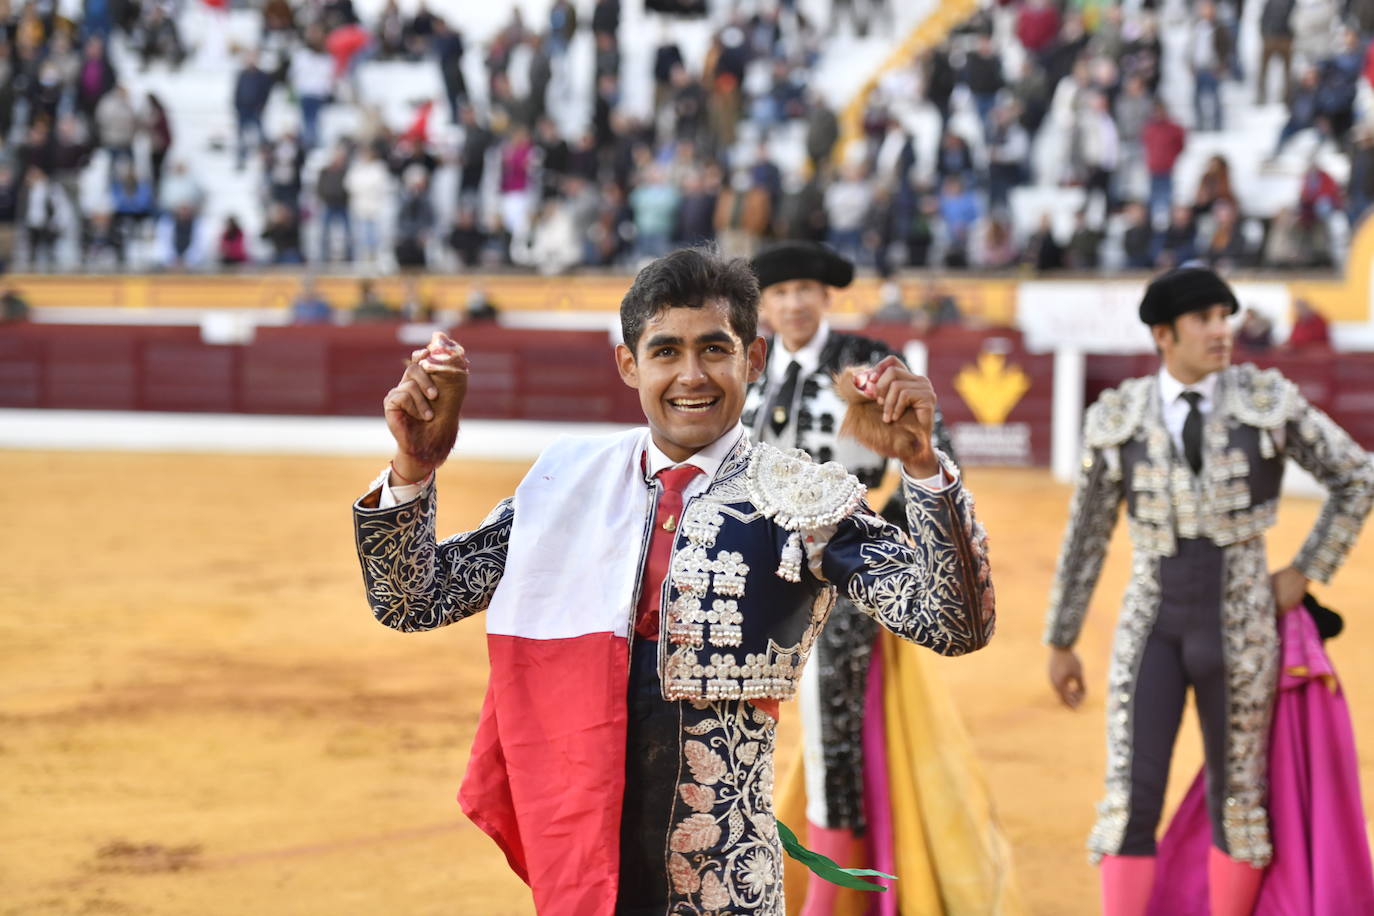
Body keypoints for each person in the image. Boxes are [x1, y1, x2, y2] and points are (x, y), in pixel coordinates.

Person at [352, 246, 996, 914]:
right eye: (665, 352)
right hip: (585, 873)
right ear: (629, 364)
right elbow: (412, 600)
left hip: (727, 891)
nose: (692, 375)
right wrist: (413, 467)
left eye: (715, 350)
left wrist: (924, 467)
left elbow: (953, 625)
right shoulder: (568, 483)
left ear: (753, 358)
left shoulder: (801, 498)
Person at [1042, 265, 1374, 916]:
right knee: (1129, 801)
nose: (1222, 332)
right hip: (1152, 630)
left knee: (1240, 804)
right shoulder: (1121, 417)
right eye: (1205, 320)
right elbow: (1086, 537)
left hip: (1244, 627)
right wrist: (1061, 638)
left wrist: (1305, 570)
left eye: (1226, 317)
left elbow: (1357, 477)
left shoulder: (1265, 401)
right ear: (1164, 334)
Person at [741, 242, 1019, 914]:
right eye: (778, 294)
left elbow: (932, 453)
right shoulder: (749, 369)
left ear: (826, 295)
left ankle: (838, 896)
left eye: (805, 288)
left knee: (834, 731)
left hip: (844, 580)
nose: (793, 303)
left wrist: (874, 541)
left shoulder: (863, 364)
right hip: (757, 579)